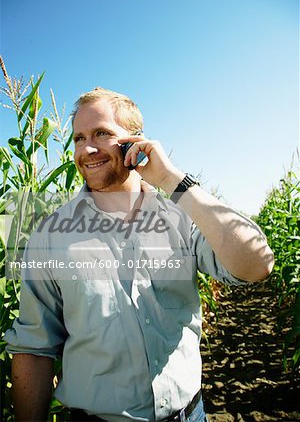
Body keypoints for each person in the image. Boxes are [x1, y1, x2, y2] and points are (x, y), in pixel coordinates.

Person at [4, 87, 274, 422]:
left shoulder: (181, 219)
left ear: (136, 142)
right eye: (78, 138)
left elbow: (256, 265)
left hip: (189, 415)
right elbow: (33, 348)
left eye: (102, 133)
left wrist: (172, 179)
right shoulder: (49, 235)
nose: (86, 149)